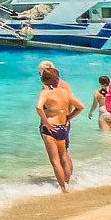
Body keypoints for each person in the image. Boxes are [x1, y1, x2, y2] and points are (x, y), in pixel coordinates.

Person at [36, 61, 84, 192]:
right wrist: (68, 117)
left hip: (50, 127)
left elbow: (39, 107)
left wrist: (45, 121)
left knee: (55, 160)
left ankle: (63, 187)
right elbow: (80, 107)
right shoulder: (64, 91)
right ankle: (67, 182)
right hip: (62, 126)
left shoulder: (45, 92)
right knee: (63, 155)